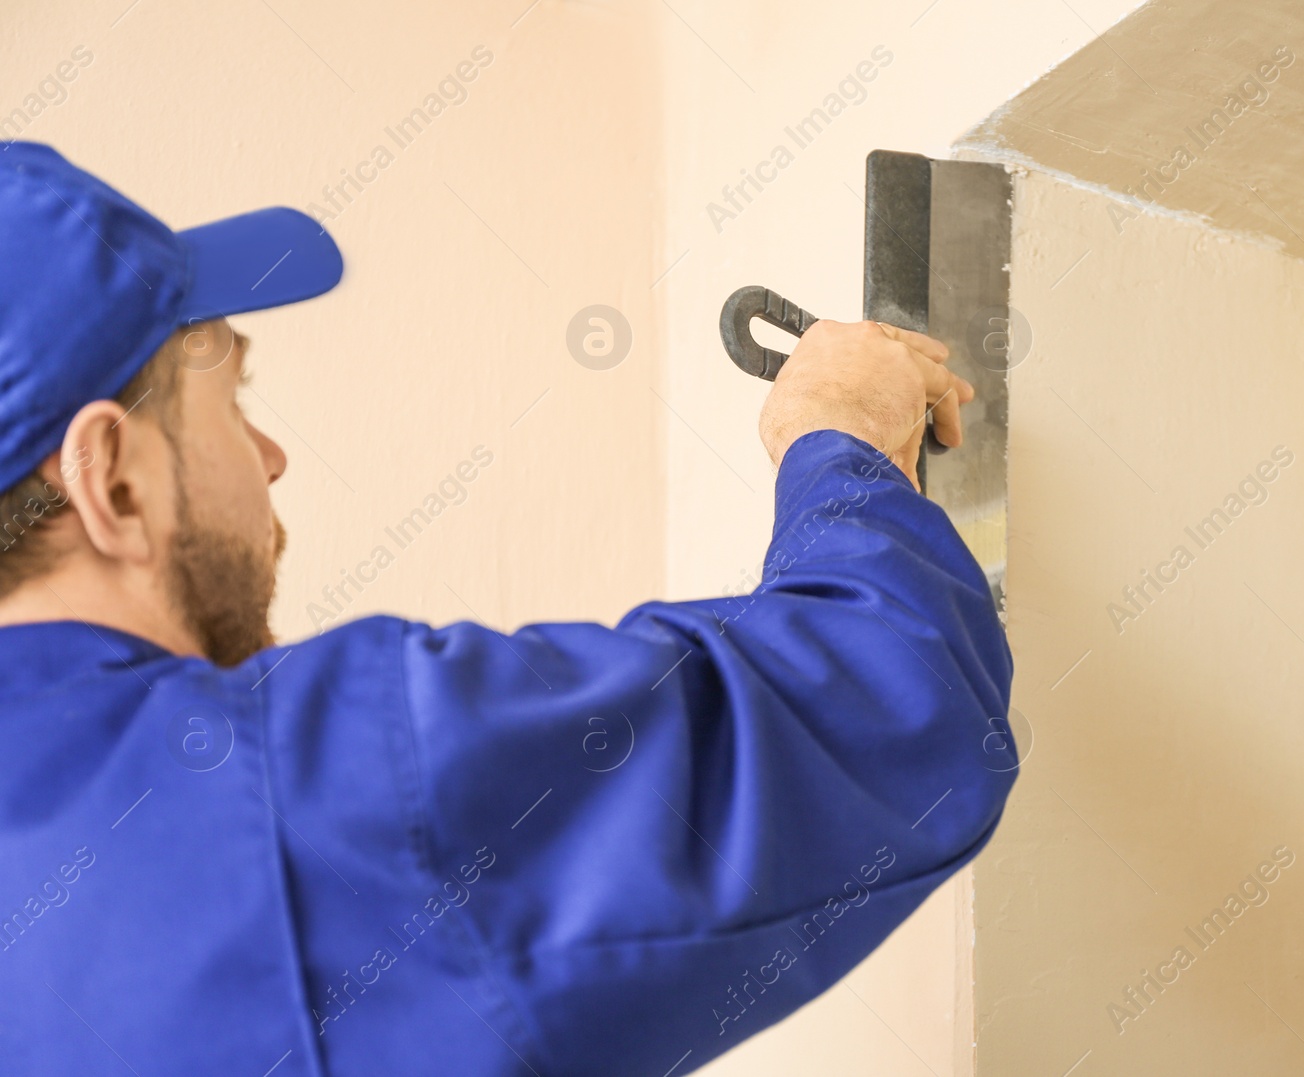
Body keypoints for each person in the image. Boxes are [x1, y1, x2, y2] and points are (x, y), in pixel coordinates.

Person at [0, 142, 1017, 1076]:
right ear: (113, 480)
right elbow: (876, 708)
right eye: (230, 401)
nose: (270, 460)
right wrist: (838, 434)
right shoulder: (297, 792)